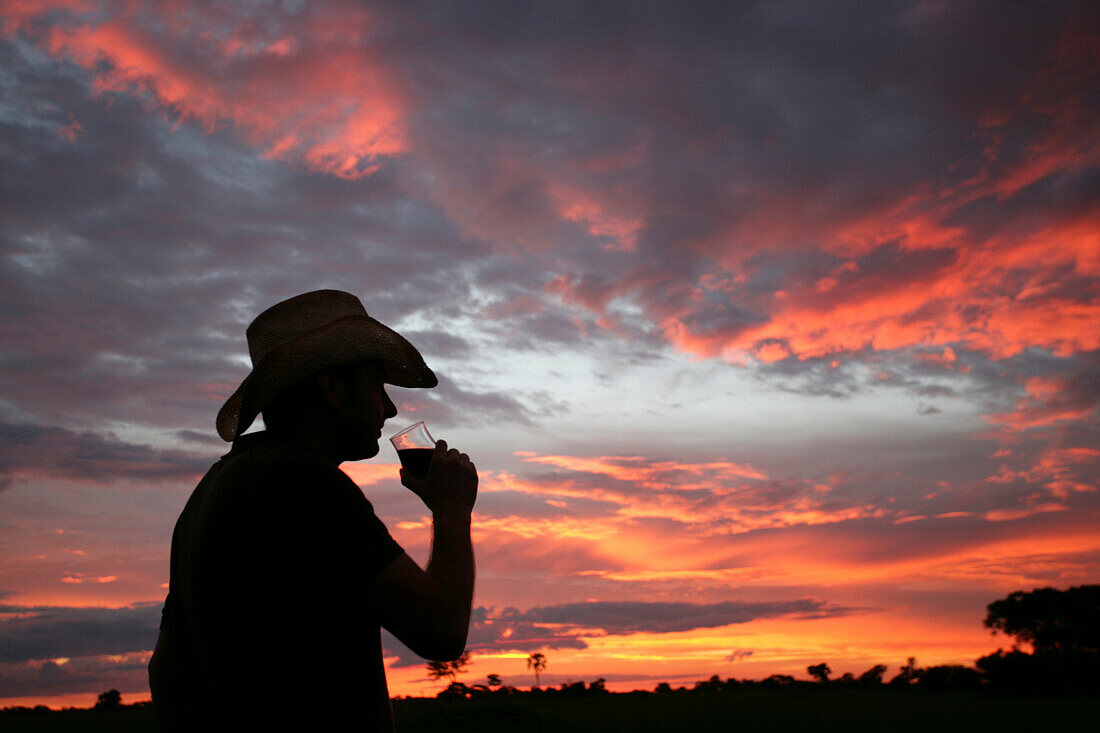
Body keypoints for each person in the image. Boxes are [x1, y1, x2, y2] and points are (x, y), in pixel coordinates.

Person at [148, 290, 477, 731]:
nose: (391, 406)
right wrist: (451, 509)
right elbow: (442, 631)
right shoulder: (306, 486)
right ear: (332, 388)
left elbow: (164, 673)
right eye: (377, 384)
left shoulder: (213, 490)